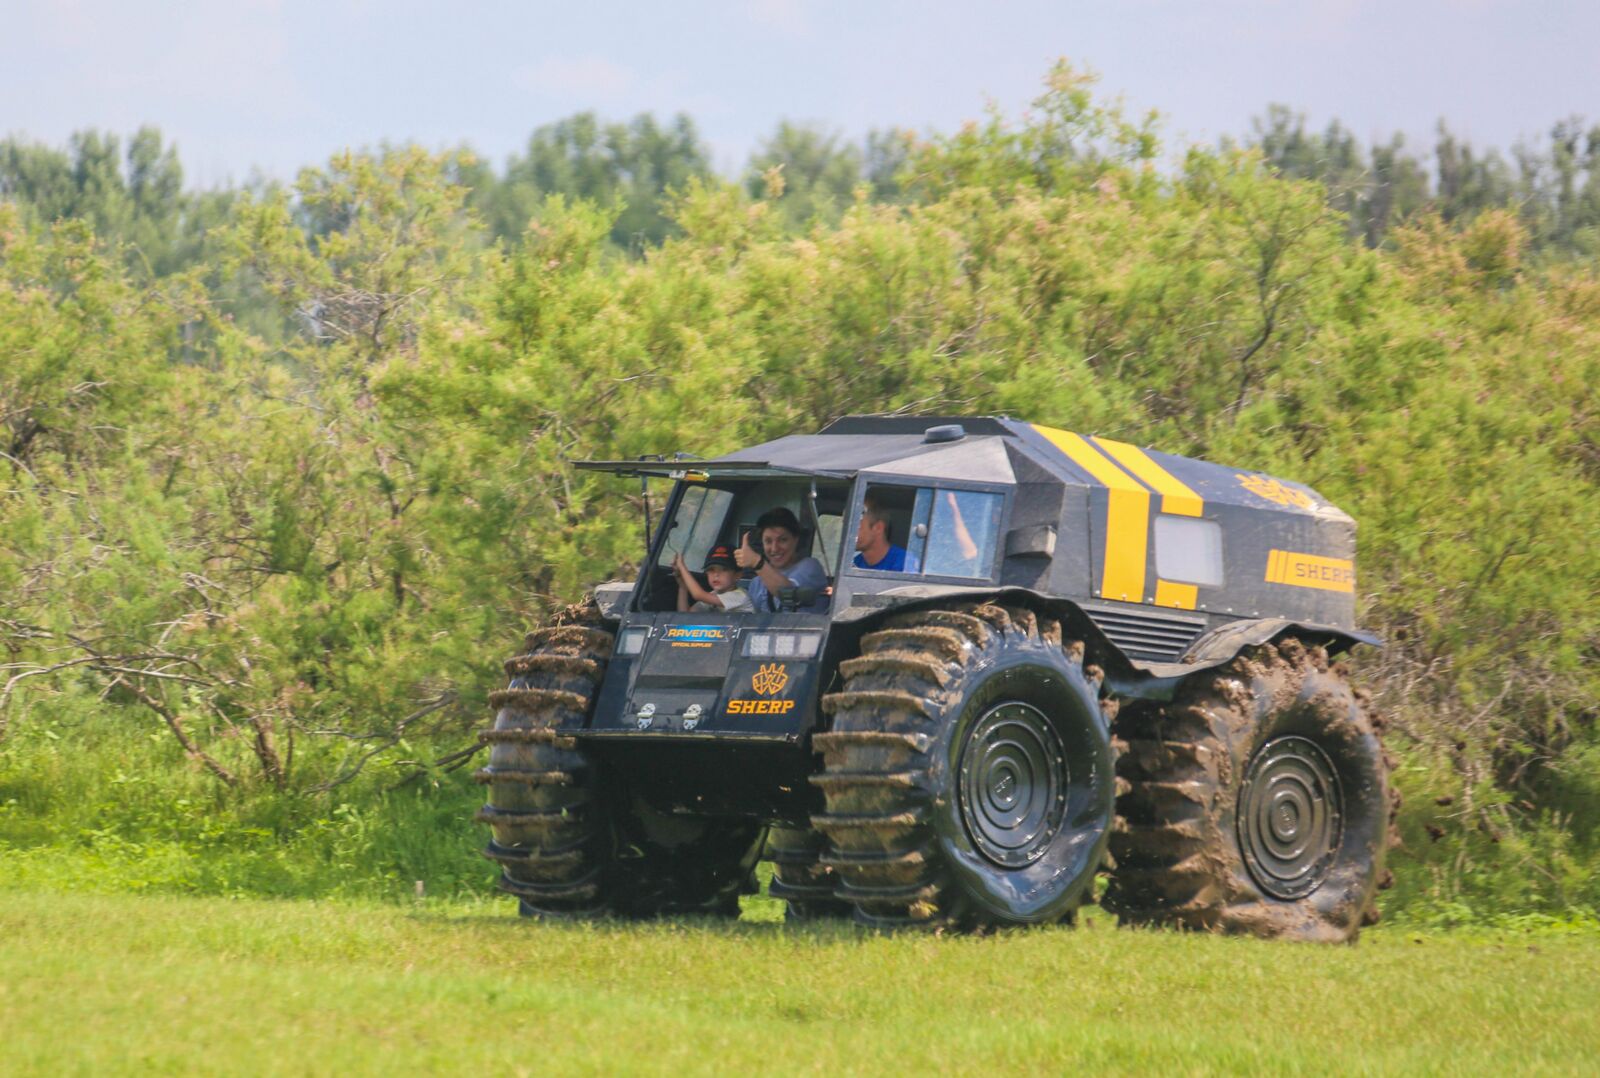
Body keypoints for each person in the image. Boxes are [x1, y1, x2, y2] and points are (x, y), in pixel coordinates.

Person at [735, 507, 828, 613]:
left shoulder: (810, 567)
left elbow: (788, 593)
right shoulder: (757, 583)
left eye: (783, 540)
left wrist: (757, 562)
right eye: (768, 541)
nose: (775, 548)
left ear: (796, 539)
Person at [673, 545, 753, 613]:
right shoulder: (713, 595)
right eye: (711, 570)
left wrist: (682, 567)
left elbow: (698, 595)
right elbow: (685, 616)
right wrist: (683, 587)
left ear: (738, 575)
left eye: (724, 569)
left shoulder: (740, 596)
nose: (716, 574)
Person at [853, 488, 917, 572]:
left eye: (857, 525)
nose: (849, 533)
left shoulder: (906, 563)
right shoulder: (856, 563)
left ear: (878, 528)